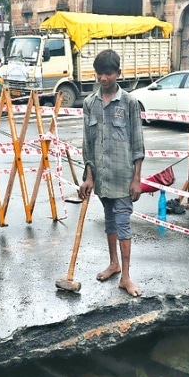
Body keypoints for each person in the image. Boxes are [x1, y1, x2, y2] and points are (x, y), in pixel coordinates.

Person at [79, 49, 146, 298]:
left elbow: (138, 144)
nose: (103, 78)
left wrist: (136, 179)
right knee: (109, 221)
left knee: (123, 223)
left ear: (118, 73)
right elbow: (88, 144)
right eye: (100, 73)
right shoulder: (89, 104)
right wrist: (89, 176)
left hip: (123, 177)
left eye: (108, 73)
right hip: (102, 178)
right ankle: (113, 263)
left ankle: (126, 277)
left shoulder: (129, 103)